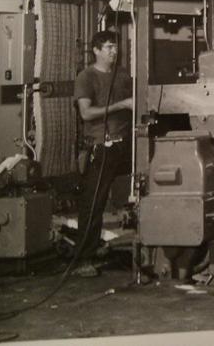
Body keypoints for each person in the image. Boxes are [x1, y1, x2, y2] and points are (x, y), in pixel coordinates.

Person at [72, 30, 134, 277]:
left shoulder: (122, 74)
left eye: (115, 46)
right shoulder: (86, 77)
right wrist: (121, 105)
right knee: (94, 202)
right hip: (101, 146)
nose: (113, 51)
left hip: (125, 145)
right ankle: (82, 259)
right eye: (108, 47)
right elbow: (86, 114)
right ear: (96, 50)